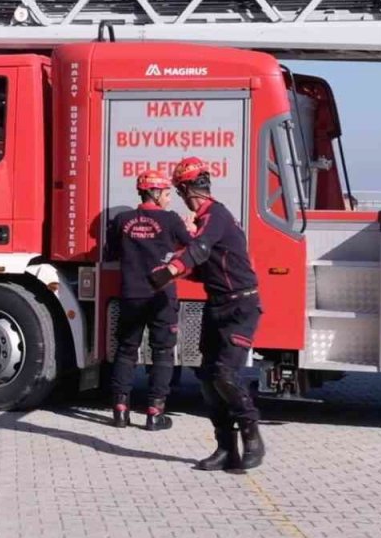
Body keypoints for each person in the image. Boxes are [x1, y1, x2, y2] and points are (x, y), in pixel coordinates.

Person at [152, 156, 265, 472]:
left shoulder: (216, 214)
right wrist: (174, 269)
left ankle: (252, 435)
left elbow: (199, 251)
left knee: (224, 374)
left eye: (180, 190)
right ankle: (226, 450)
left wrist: (173, 268)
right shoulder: (207, 221)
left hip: (240, 305)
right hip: (217, 303)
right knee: (207, 378)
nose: (182, 197)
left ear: (188, 188)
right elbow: (208, 269)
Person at [104, 170, 191, 431]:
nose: (169, 199)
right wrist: (188, 228)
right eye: (166, 194)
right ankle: (155, 412)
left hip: (131, 294)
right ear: (155, 193)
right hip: (161, 296)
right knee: (162, 351)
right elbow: (192, 246)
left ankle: (120, 411)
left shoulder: (122, 220)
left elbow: (111, 253)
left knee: (127, 350)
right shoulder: (171, 220)